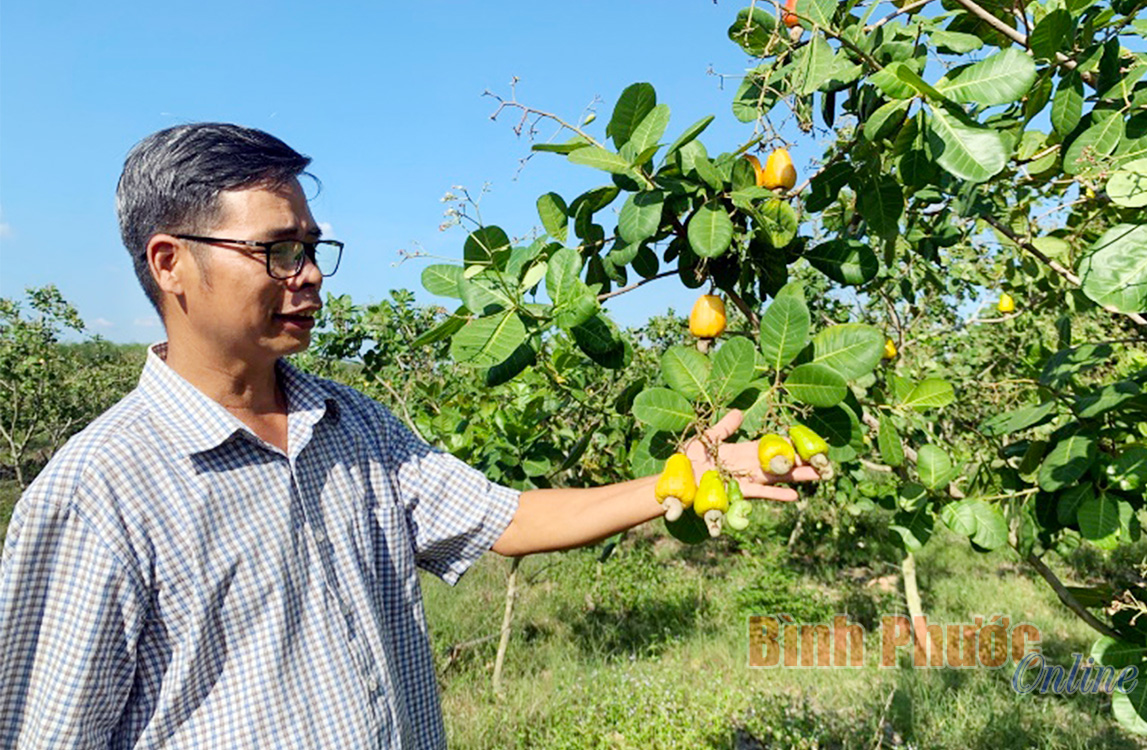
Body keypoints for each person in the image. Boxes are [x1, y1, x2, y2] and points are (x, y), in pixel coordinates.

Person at [0, 123, 819, 748]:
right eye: (278, 252)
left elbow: (506, 519)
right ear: (170, 262)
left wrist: (681, 475)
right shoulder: (95, 494)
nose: (310, 274)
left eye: (313, 250)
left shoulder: (353, 425)